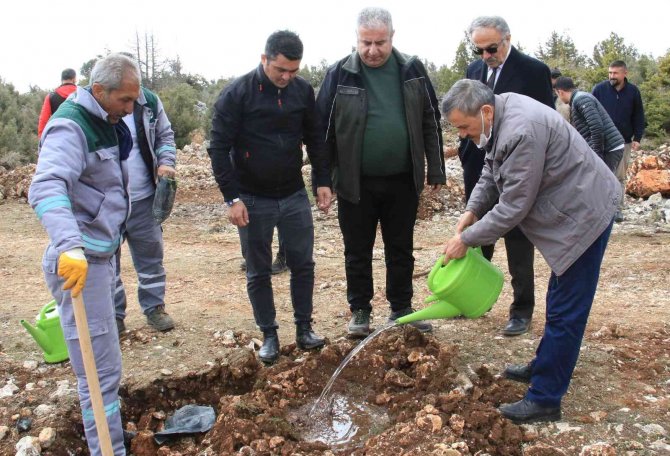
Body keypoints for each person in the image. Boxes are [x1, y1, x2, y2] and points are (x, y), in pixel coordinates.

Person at [441, 79, 619, 423]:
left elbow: (513, 207)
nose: (462, 134)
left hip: (585, 214)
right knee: (559, 299)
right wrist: (471, 211)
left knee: (567, 310)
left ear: (485, 111)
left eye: (464, 126)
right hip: (571, 208)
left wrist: (466, 240)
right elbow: (491, 172)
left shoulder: (520, 131)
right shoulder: (500, 113)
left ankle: (545, 398)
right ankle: (545, 363)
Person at [29, 53, 141, 455]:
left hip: (102, 258)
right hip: (79, 264)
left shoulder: (105, 120)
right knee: (97, 370)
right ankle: (106, 449)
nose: (130, 110)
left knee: (106, 361)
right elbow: (45, 187)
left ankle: (110, 437)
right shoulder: (70, 126)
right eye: (125, 101)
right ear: (98, 91)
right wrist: (70, 246)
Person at [316, 7, 445, 337]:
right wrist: (322, 180)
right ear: (356, 39)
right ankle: (360, 310)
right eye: (366, 42)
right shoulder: (339, 74)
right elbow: (323, 130)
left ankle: (401, 308)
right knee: (357, 250)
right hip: (354, 182)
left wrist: (436, 170)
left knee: (400, 248)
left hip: (403, 179)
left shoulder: (412, 69)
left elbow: (431, 120)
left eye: (380, 42)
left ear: (392, 37)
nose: (372, 50)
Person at [208, 30, 332, 364]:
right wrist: (231, 198)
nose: (286, 77)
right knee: (258, 270)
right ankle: (269, 335)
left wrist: (322, 180)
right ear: (264, 59)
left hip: (293, 193)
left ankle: (304, 329)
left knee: (302, 264)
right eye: (280, 70)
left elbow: (315, 138)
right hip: (251, 197)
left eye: (293, 71)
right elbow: (218, 148)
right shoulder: (237, 94)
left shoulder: (302, 91)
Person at [459, 15, 554, 337]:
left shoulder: (534, 71)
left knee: (517, 240)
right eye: (479, 50)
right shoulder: (474, 72)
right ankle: (472, 297)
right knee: (476, 236)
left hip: (519, 168)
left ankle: (521, 310)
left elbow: (544, 123)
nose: (486, 56)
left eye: (491, 48)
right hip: (480, 167)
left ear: (507, 39)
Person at [113, 82, 177, 334]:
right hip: (108, 203)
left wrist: (166, 161)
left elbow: (165, 135)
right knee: (107, 261)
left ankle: (154, 307)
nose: (130, 103)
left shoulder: (148, 102)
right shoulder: (93, 108)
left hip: (144, 198)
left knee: (151, 256)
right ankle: (114, 313)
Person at [592, 60, 646, 223]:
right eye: (610, 73)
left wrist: (637, 138)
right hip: (601, 141)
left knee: (619, 177)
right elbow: (589, 111)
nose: (611, 76)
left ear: (625, 74)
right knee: (599, 174)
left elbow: (638, 115)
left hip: (624, 141)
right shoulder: (599, 89)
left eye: (615, 73)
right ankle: (600, 209)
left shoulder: (633, 92)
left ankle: (618, 209)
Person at [554, 76, 624, 173]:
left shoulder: (581, 99)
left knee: (604, 183)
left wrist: (597, 155)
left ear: (560, 92)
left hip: (610, 148)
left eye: (557, 94)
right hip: (608, 147)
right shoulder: (578, 99)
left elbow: (596, 126)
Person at [37, 68, 77, 137]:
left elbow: (43, 120)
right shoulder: (82, 94)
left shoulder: (51, 96)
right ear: (74, 79)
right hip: (80, 137)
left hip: (58, 137)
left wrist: (42, 139)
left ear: (61, 80)